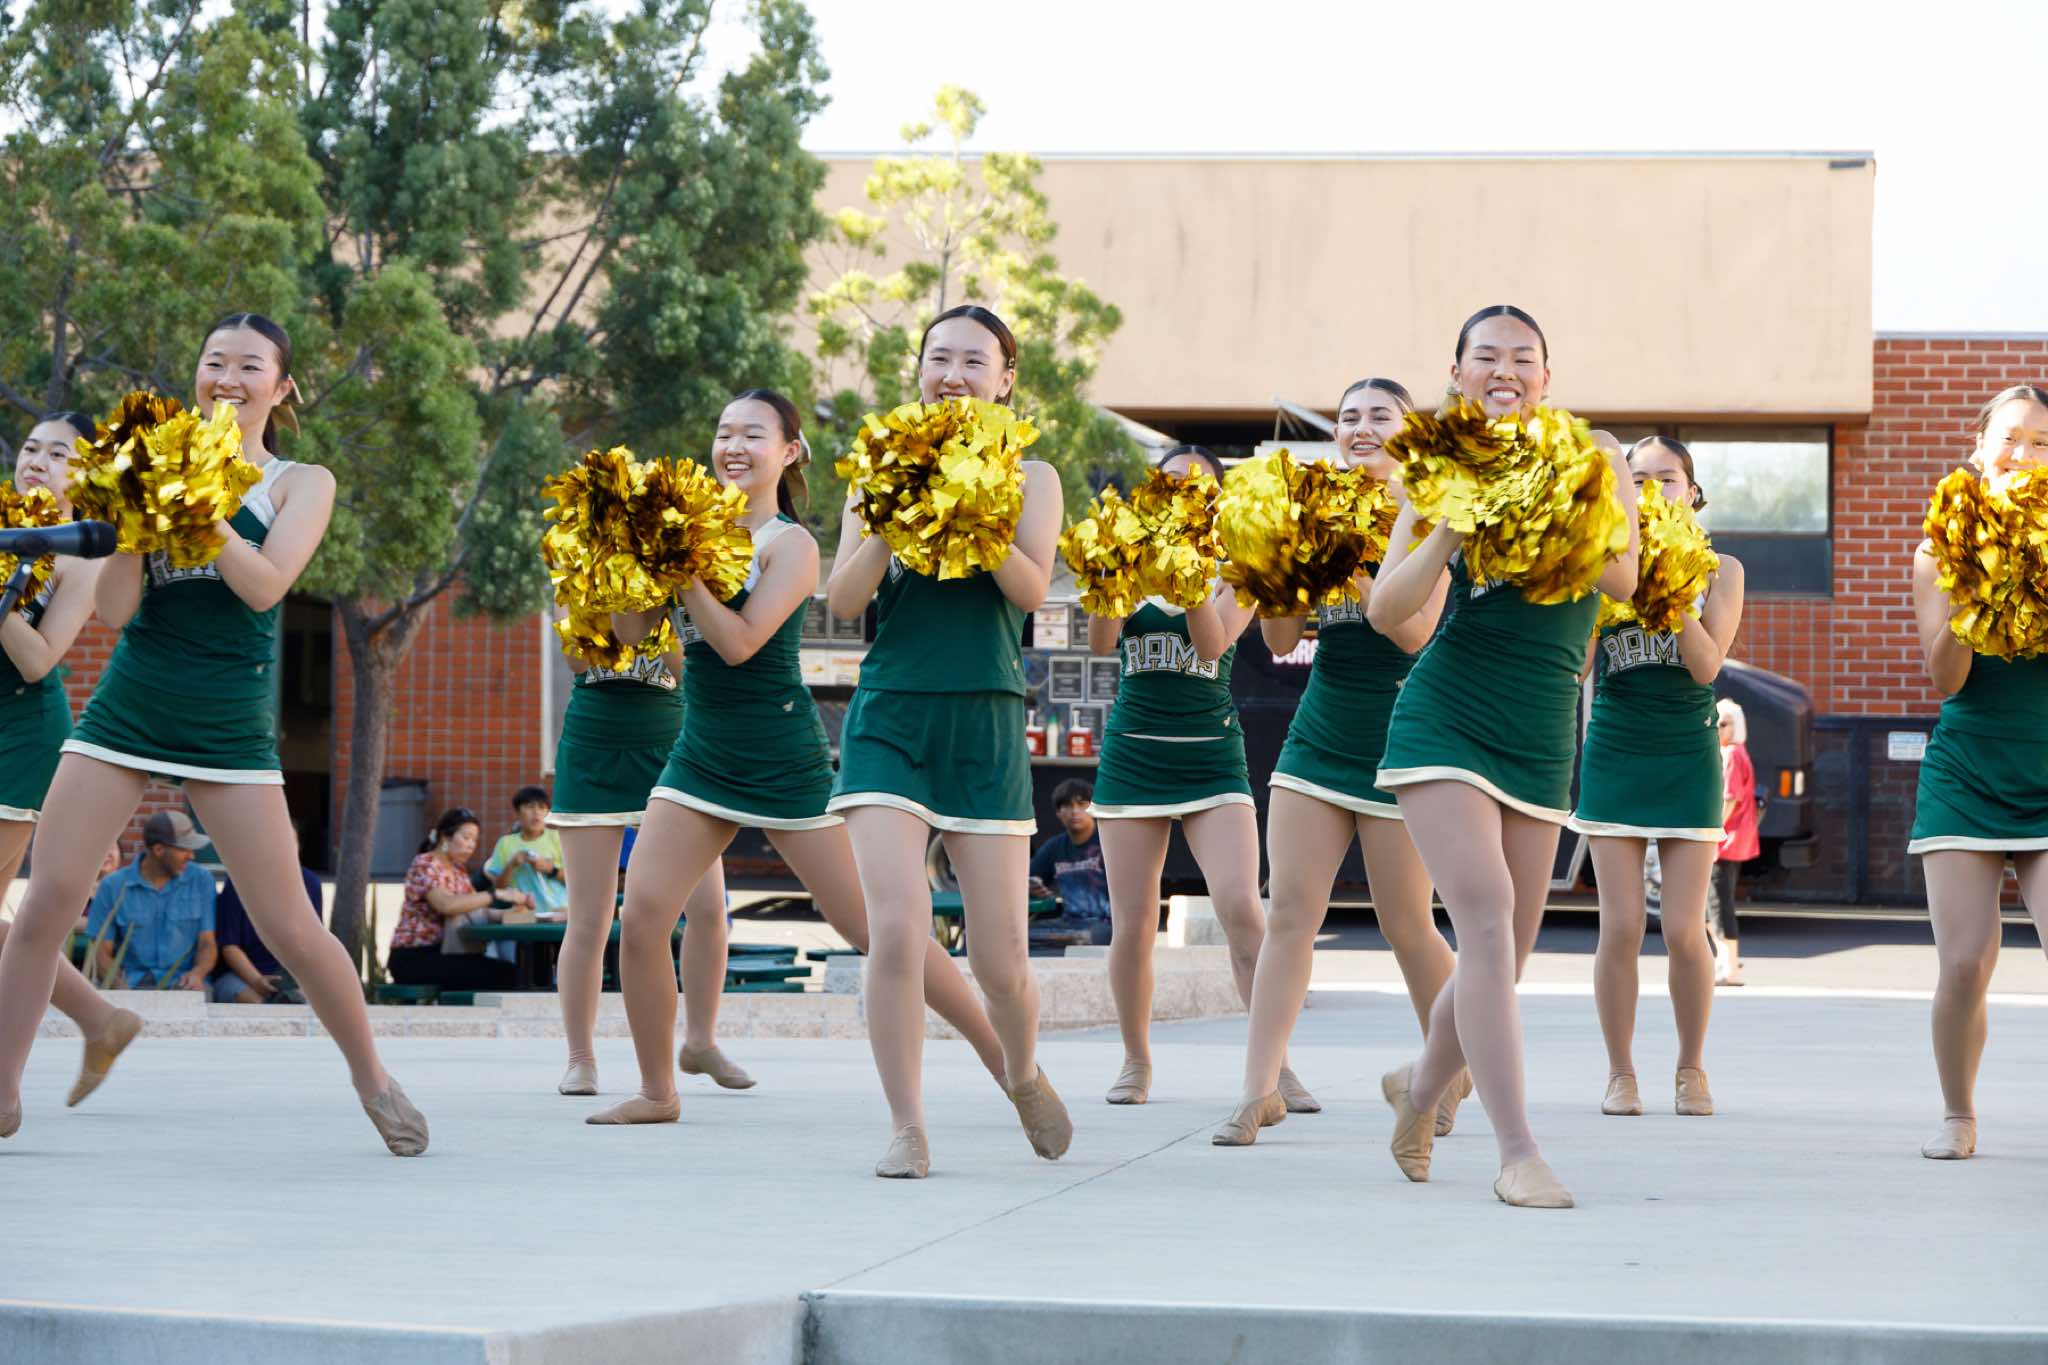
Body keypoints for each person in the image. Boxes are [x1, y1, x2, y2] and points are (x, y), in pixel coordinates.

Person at [0, 312, 428, 1153]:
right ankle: (5, 1089)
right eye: (214, 362)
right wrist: (139, 514)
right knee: (45, 899)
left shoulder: (301, 482)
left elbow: (265, 586)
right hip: (128, 708)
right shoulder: (149, 461)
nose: (227, 379)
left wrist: (199, 506)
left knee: (289, 926)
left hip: (228, 723)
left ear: (282, 386)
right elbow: (117, 608)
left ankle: (374, 1080)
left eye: (249, 366)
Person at [593, 387, 1007, 1149]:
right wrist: (635, 553)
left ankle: (1004, 1057)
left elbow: (739, 642)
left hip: (784, 756)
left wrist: (683, 570)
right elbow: (629, 630)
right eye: (724, 432)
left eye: (753, 433)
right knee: (642, 915)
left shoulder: (790, 545)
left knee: (876, 930)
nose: (733, 446)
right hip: (700, 752)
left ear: (788, 452)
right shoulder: (692, 527)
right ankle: (657, 1090)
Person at [1368, 305, 1639, 1208]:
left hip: (1541, 729)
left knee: (1504, 954)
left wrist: (1548, 498)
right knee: (1484, 922)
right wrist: (1451, 524)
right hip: (1446, 716)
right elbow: (1387, 608)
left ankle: (1418, 1089)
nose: (1505, 370)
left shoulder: (1594, 456)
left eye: (1524, 357)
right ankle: (1517, 1151)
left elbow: (1625, 577)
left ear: (1547, 378)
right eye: (1486, 356)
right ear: (1458, 374)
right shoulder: (1437, 467)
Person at [826, 307, 1073, 1178]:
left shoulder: (1033, 475)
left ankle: (1021, 1071)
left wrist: (968, 504)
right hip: (889, 716)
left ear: (1006, 379)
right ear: (919, 370)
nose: (955, 374)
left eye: (975, 361)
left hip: (985, 720)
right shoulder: (876, 467)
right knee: (896, 929)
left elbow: (1030, 587)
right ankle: (907, 1125)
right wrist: (894, 508)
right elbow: (844, 599)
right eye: (940, 358)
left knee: (1002, 965)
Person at [1218, 379, 1458, 1146]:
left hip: (1401, 738)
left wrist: (1353, 555)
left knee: (1407, 924)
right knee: (1289, 913)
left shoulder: (1429, 514)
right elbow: (1281, 640)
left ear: (1409, 432)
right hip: (1317, 734)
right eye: (1349, 417)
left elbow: (1413, 632)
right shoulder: (1313, 510)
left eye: (1379, 416)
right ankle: (1257, 1090)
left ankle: (1452, 1063)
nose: (1361, 427)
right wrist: (1280, 560)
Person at [1080, 445, 1309, 1110]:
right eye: (1170, 480)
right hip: (1133, 756)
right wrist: (1114, 568)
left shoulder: (1236, 566)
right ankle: (1135, 1059)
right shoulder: (1128, 552)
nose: (1182, 491)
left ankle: (1276, 1066)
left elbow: (1212, 643)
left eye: (1197, 484)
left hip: (1212, 755)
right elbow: (1100, 643)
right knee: (1132, 922)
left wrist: (1186, 567)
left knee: (1242, 908)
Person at [1572, 437, 1745, 1119]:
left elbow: (1706, 667)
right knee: (1619, 927)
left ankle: (1690, 1068)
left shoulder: (1722, 570)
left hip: (1687, 756)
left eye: (1665, 479)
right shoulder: (1603, 564)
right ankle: (1620, 1073)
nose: (1649, 490)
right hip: (1615, 751)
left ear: (1692, 493)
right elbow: (1578, 666)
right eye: (1635, 479)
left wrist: (1669, 591)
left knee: (1681, 927)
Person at [1907, 384, 2048, 1161]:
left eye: (2041, 442)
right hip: (1967, 772)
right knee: (1965, 963)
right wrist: (1973, 579)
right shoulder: (1938, 550)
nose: (2023, 453)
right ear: (1980, 447)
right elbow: (1947, 678)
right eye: (2010, 438)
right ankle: (1958, 1113)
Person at [544, 571, 737, 1102]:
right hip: (595, 747)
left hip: (672, 748)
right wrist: (616, 594)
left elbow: (685, 667)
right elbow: (578, 659)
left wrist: (660, 594)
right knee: (588, 918)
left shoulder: (681, 568)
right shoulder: (577, 564)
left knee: (708, 909)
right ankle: (580, 1058)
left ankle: (701, 1041)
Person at [0, 411, 142, 1106]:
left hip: (18, 734)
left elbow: (38, 660)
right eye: (31, 447)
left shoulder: (86, 556)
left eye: (59, 453)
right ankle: (100, 1018)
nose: (37, 459)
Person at [388, 808, 528, 990]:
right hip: (416, 956)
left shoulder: (458, 870)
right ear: (445, 838)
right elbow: (446, 905)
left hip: (452, 952)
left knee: (520, 974)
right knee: (510, 976)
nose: (471, 845)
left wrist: (512, 913)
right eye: (466, 838)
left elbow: (476, 910)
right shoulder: (425, 863)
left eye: (475, 840)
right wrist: (495, 894)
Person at [85, 811, 218, 990]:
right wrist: (120, 987)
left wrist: (198, 974)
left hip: (184, 983)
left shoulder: (202, 880)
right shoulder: (112, 886)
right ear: (158, 850)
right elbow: (100, 952)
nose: (191, 856)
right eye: (184, 849)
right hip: (132, 983)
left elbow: (207, 943)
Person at [208, 862, 324, 1003]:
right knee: (255, 1003)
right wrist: (257, 981)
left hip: (290, 976)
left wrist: (303, 984)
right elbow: (230, 947)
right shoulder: (238, 880)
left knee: (313, 1000)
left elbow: (314, 945)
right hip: (239, 975)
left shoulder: (310, 882)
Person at [1028, 778, 1110, 947]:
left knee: (1083, 938)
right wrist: (1033, 885)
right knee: (1017, 934)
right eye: (1067, 805)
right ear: (1058, 812)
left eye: (1082, 804)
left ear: (1093, 808)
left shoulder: (1108, 842)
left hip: (1106, 923)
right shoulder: (1055, 846)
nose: (1075, 811)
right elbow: (1029, 877)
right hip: (1069, 922)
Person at [1713, 699, 1758, 986]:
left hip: (1725, 842)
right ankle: (1724, 960)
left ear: (1736, 726)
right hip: (1734, 840)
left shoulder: (1731, 754)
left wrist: (1712, 831)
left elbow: (1729, 799)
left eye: (1723, 723)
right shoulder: (1739, 753)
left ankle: (1729, 967)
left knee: (1718, 904)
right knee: (1715, 904)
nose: (1718, 729)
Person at [488, 787, 569, 919]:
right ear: (517, 813)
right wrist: (512, 865)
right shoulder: (505, 843)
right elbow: (498, 889)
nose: (536, 812)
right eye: (530, 806)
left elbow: (577, 880)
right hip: (523, 915)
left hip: (560, 913)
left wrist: (550, 869)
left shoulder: (558, 838)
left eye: (542, 807)